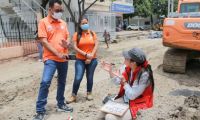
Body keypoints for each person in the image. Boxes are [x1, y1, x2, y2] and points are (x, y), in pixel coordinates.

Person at [33, 0, 73, 120]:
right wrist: (57, 53)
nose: (59, 12)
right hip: (50, 58)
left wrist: (68, 43)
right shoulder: (43, 22)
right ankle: (40, 110)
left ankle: (60, 104)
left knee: (62, 82)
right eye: (57, 10)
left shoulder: (63, 23)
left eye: (61, 10)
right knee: (45, 82)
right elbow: (43, 41)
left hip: (63, 58)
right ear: (50, 9)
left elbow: (68, 36)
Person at [101, 48, 154, 120]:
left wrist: (124, 82)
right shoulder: (126, 68)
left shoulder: (144, 75)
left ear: (133, 62)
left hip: (137, 102)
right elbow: (117, 81)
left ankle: (136, 114)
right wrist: (110, 71)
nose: (124, 60)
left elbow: (132, 95)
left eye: (126, 58)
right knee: (102, 113)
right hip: (125, 99)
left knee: (109, 117)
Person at [67, 17, 98, 103]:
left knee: (90, 77)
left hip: (92, 59)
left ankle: (89, 93)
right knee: (78, 77)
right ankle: (73, 95)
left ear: (88, 23)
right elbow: (75, 47)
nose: (85, 25)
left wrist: (90, 56)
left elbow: (96, 45)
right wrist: (85, 55)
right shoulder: (76, 34)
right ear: (80, 25)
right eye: (83, 23)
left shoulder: (92, 33)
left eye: (86, 23)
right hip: (80, 59)